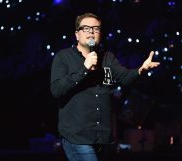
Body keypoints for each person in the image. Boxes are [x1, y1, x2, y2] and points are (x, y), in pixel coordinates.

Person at [50, 12, 160, 161]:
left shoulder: (107, 57)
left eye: (96, 29)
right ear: (77, 34)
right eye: (86, 28)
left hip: (103, 138)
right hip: (77, 137)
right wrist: (84, 68)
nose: (91, 32)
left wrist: (140, 70)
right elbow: (57, 90)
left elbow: (125, 78)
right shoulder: (63, 57)